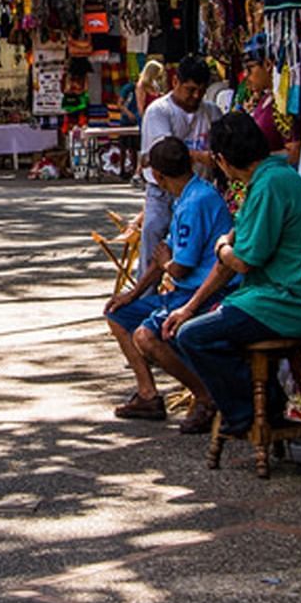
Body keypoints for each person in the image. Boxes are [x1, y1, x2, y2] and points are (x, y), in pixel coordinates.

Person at [141, 111, 301, 436]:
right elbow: (228, 263)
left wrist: (221, 247)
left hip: (287, 303)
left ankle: (247, 413)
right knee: (188, 327)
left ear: (222, 160)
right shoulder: (267, 181)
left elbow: (240, 260)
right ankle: (261, 406)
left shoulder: (272, 185)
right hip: (269, 298)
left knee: (194, 336)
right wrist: (187, 308)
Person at [103, 136, 233, 424]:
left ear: (159, 177)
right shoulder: (187, 196)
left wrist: (165, 263)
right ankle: (147, 394)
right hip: (183, 290)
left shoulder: (195, 202)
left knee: (147, 336)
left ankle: (205, 396)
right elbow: (163, 257)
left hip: (202, 293)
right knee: (117, 314)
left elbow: (177, 268)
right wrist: (133, 294)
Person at [135, 55, 215, 272]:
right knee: (154, 235)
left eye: (201, 90)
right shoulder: (159, 111)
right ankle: (145, 298)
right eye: (190, 90)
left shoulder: (211, 111)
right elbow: (167, 155)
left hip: (199, 191)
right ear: (175, 83)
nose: (196, 96)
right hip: (163, 192)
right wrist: (203, 157)